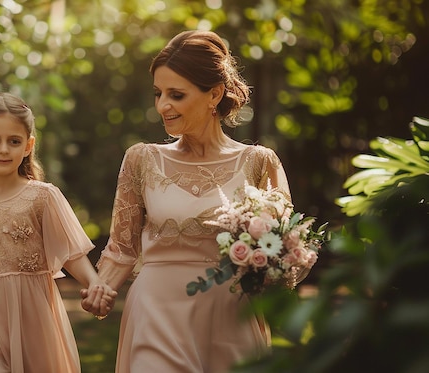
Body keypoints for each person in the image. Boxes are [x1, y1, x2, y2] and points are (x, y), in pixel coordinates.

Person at [81, 30, 295, 372]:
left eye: (176, 95)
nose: (162, 105)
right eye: (158, 93)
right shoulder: (142, 160)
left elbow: (282, 252)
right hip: (155, 313)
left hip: (230, 319)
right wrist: (101, 289)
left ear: (214, 94)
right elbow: (122, 248)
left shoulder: (259, 162)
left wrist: (280, 268)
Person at [0, 92, 117, 372]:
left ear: (28, 146)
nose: (4, 149)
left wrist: (93, 281)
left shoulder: (43, 197)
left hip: (34, 318)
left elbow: (70, 253)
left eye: (13, 141)